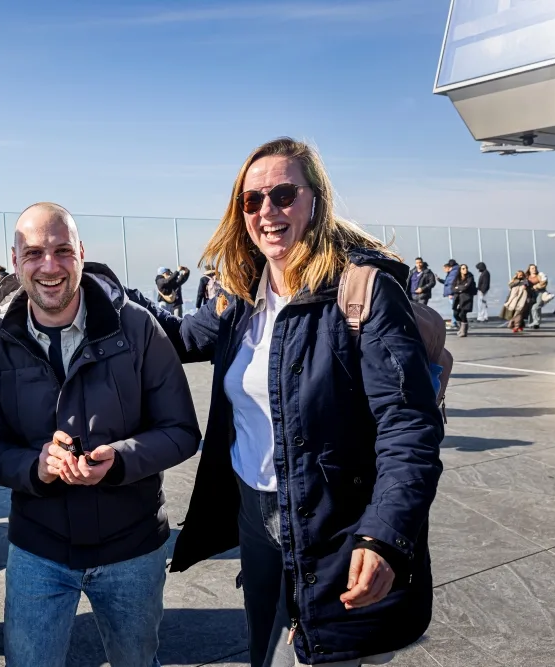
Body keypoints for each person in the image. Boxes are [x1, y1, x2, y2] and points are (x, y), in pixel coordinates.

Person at [133, 138, 443, 667]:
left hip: (337, 521)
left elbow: (408, 427)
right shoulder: (240, 299)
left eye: (283, 194)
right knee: (268, 655)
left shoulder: (363, 292)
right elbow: (176, 338)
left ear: (316, 200)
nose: (266, 212)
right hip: (256, 519)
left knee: (331, 655)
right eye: (252, 201)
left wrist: (385, 536)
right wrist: (94, 290)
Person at [0, 202, 201, 667]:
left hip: (132, 548)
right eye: (34, 253)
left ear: (81, 252)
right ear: (15, 263)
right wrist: (33, 466)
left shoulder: (137, 326)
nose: (49, 265)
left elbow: (181, 431)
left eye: (61, 250)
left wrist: (119, 459)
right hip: (38, 549)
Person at [451, 264, 477, 337]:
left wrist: (458, 288)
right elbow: (452, 287)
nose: (465, 269)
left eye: (466, 268)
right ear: (460, 270)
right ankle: (461, 328)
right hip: (457, 298)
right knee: (455, 314)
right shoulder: (457, 277)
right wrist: (460, 288)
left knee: (463, 314)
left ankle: (464, 331)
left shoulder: (470, 277)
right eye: (463, 268)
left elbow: (467, 286)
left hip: (466, 298)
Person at [437, 259, 460, 328]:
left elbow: (451, 284)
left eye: (444, 269)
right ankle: (455, 321)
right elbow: (448, 282)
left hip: (452, 294)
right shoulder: (452, 272)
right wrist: (440, 280)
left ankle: (454, 322)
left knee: (455, 308)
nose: (444, 270)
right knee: (455, 308)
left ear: (449, 267)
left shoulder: (453, 273)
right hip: (452, 293)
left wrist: (451, 293)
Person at [526, 264, 549, 330]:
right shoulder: (527, 277)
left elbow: (544, 283)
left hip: (540, 292)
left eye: (535, 268)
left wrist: (536, 286)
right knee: (531, 308)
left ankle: (536, 322)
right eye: (532, 268)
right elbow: (525, 285)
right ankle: (532, 323)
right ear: (529, 269)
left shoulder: (540, 275)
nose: (534, 269)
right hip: (531, 294)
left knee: (536, 307)